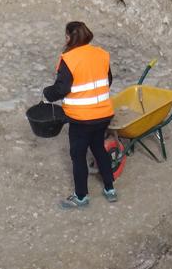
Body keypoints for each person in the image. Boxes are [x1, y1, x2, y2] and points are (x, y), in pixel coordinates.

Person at [43, 21, 117, 207]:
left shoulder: (69, 59)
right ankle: (110, 189)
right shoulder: (101, 54)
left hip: (81, 119)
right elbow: (108, 80)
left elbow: (62, 88)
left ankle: (81, 197)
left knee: (78, 155)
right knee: (99, 149)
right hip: (103, 115)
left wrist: (46, 94)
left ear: (69, 37)